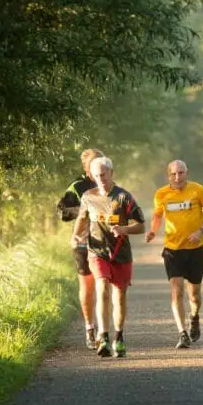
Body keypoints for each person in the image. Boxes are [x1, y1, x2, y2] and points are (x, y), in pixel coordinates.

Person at [71, 156, 145, 357]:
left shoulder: (124, 197)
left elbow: (141, 226)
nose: (100, 178)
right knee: (102, 287)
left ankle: (118, 336)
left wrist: (123, 229)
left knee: (119, 296)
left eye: (103, 174)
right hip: (97, 251)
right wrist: (76, 236)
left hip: (121, 254)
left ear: (111, 173)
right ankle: (103, 336)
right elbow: (82, 219)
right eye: (96, 175)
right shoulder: (88, 197)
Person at [145, 159, 203, 349]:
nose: (178, 177)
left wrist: (201, 232)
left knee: (195, 295)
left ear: (187, 172)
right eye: (174, 174)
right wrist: (152, 231)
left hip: (195, 249)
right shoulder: (161, 194)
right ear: (168, 175)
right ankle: (182, 333)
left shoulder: (197, 190)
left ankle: (194, 317)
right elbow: (157, 216)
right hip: (172, 250)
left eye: (181, 173)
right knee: (177, 291)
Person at [57, 148, 104, 350]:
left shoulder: (108, 184)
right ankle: (89, 328)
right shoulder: (77, 186)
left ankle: (104, 331)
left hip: (105, 242)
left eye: (100, 162)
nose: (97, 167)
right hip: (83, 243)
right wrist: (85, 211)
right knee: (88, 286)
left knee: (104, 286)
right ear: (85, 167)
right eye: (93, 164)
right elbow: (63, 212)